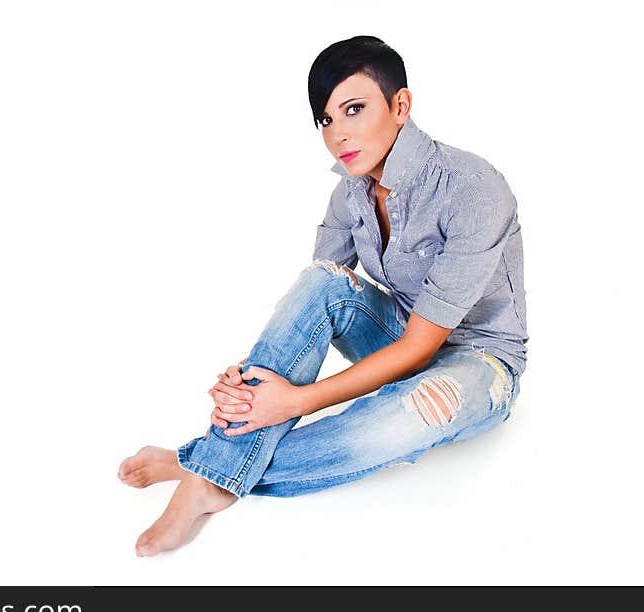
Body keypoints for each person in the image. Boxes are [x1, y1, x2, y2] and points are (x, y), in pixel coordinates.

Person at [118, 35, 528, 557]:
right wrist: (246, 377)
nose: (337, 134)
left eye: (354, 109)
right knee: (323, 278)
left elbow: (423, 349)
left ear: (400, 105)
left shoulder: (472, 189)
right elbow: (312, 306)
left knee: (413, 413)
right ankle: (219, 464)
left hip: (480, 362)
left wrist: (294, 400)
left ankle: (202, 470)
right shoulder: (349, 193)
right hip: (397, 332)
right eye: (326, 120)